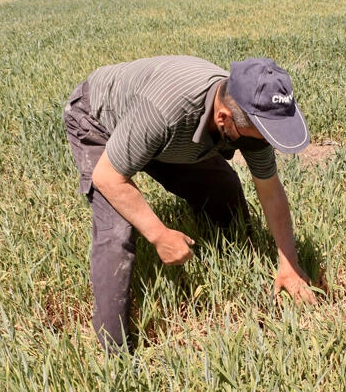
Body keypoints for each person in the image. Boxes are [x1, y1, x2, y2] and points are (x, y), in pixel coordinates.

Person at [63, 55, 315, 352]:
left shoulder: (247, 110)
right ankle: (114, 353)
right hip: (99, 120)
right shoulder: (166, 111)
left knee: (223, 188)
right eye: (262, 135)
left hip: (162, 135)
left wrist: (289, 263)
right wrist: (159, 235)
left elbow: (270, 191)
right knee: (118, 231)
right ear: (224, 120)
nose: (267, 142)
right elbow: (108, 177)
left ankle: (236, 255)